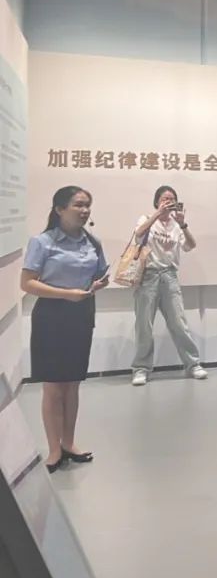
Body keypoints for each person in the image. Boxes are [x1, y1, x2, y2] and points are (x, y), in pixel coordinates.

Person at [21, 186, 109, 472]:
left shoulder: (92, 242)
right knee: (53, 386)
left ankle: (69, 443)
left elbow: (101, 273)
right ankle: (53, 450)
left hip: (81, 315)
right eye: (78, 205)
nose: (84, 210)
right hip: (51, 316)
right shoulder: (42, 242)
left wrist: (98, 285)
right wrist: (66, 294)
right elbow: (27, 283)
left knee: (72, 384)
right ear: (59, 209)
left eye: (87, 205)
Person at [131, 186, 207, 385]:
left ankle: (193, 364)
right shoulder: (146, 218)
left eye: (172, 199)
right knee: (144, 325)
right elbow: (138, 234)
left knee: (179, 323)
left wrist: (183, 224)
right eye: (164, 199)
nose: (168, 202)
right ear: (157, 202)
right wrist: (157, 214)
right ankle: (141, 368)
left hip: (169, 276)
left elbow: (190, 245)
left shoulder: (176, 225)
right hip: (148, 276)